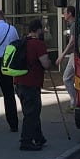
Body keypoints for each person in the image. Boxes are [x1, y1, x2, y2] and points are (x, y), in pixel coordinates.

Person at [14, 19, 52, 151]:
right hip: (32, 83)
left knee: (30, 111)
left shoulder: (22, 42)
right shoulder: (38, 44)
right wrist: (50, 63)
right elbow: (45, 63)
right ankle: (26, 141)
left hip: (18, 82)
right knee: (32, 113)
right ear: (38, 30)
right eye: (42, 29)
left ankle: (39, 137)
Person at [59, 5, 78, 108]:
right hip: (74, 54)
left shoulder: (74, 25)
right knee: (67, 78)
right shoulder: (74, 25)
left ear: (70, 13)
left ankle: (75, 102)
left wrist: (61, 56)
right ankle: (74, 102)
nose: (63, 14)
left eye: (65, 12)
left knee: (68, 78)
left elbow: (72, 42)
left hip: (76, 55)